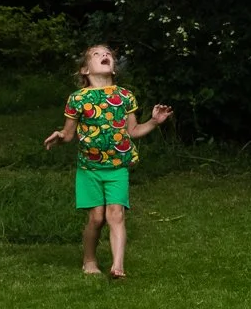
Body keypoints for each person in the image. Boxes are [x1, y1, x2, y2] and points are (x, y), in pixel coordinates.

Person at [43, 44, 172, 278]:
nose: (104, 56)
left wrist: (153, 122)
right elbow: (69, 133)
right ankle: (89, 260)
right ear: (84, 70)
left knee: (116, 214)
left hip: (117, 167)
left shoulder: (124, 96)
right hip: (89, 169)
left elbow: (132, 131)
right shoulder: (77, 99)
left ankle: (117, 266)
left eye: (108, 55)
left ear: (113, 67)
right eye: (97, 54)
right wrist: (60, 137)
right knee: (97, 217)